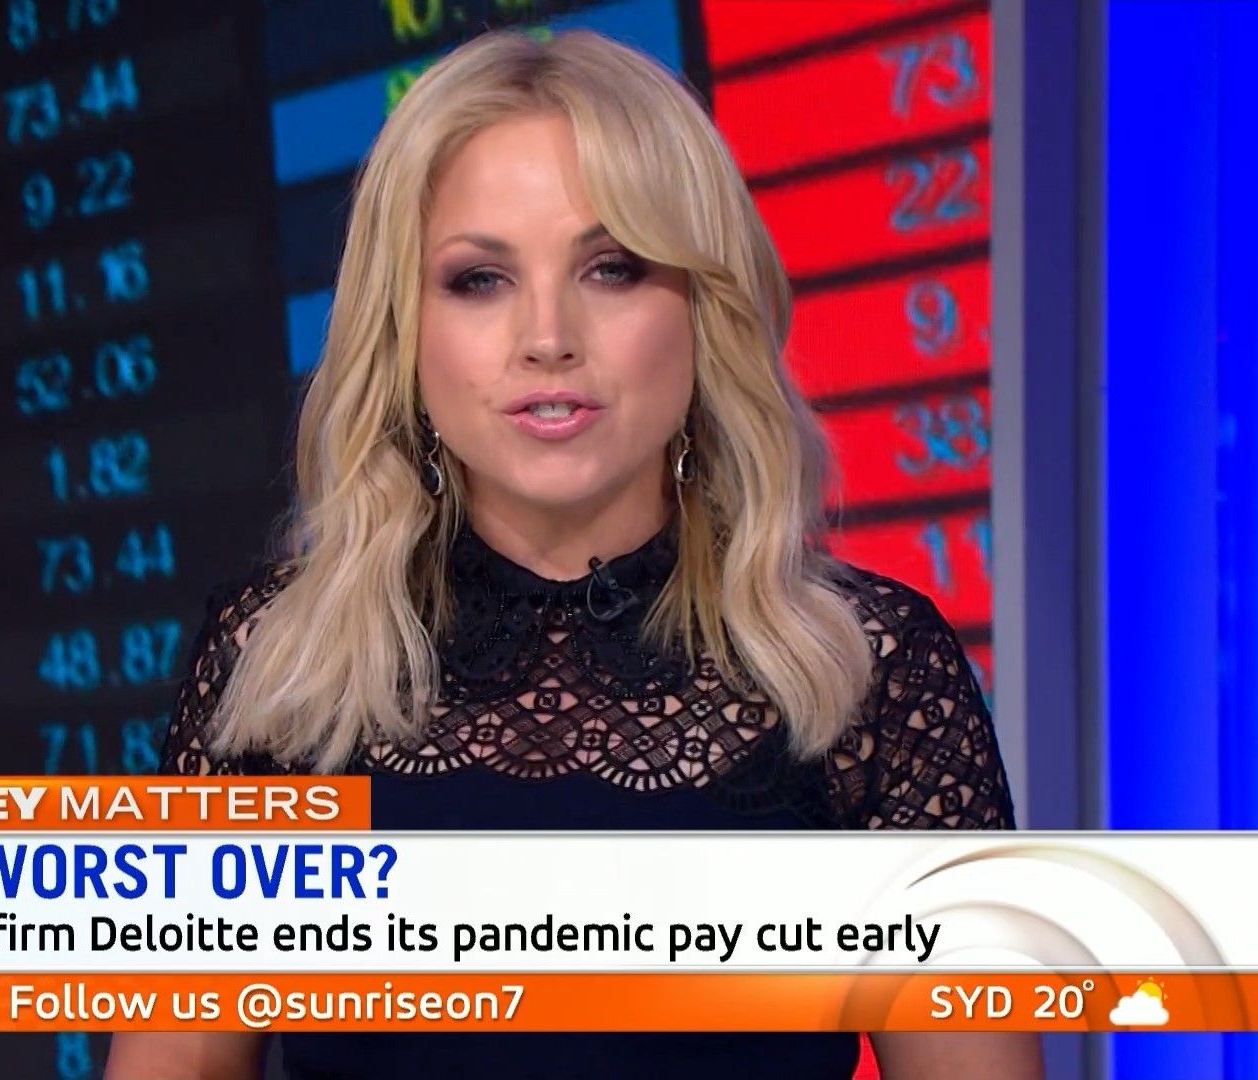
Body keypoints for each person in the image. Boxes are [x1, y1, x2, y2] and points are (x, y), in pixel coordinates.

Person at [106, 25, 1040, 1080]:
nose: (547, 336)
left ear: (702, 309)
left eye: (612, 268)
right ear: (404, 331)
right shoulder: (278, 665)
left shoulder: (868, 672)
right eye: (479, 279)